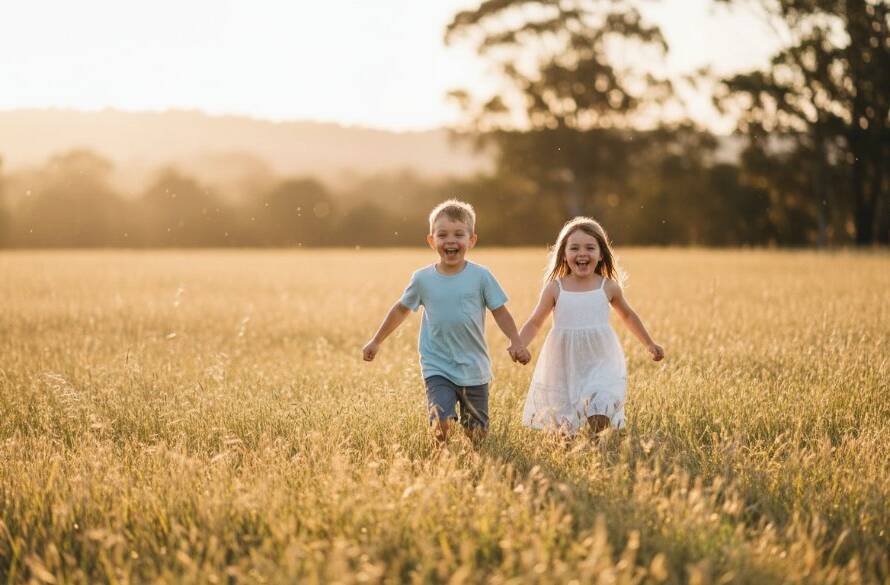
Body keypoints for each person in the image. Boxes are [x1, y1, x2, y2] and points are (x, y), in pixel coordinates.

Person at [362, 199, 530, 442]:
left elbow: (500, 311)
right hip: (437, 365)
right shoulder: (422, 279)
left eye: (458, 234)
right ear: (432, 241)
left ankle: (475, 465)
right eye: (442, 235)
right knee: (440, 420)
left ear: (471, 240)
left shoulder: (481, 276)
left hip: (474, 366)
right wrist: (376, 341)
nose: (450, 241)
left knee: (477, 434)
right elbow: (401, 309)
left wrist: (516, 341)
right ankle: (442, 460)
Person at [518, 217, 664, 436]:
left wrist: (649, 343)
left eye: (590, 247)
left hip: (600, 358)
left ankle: (599, 448)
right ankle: (571, 452)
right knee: (564, 423)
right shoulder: (555, 288)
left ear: (601, 254)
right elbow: (535, 321)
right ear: (564, 255)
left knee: (601, 405)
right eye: (574, 248)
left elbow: (628, 316)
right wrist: (520, 344)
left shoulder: (608, 287)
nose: (582, 253)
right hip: (564, 361)